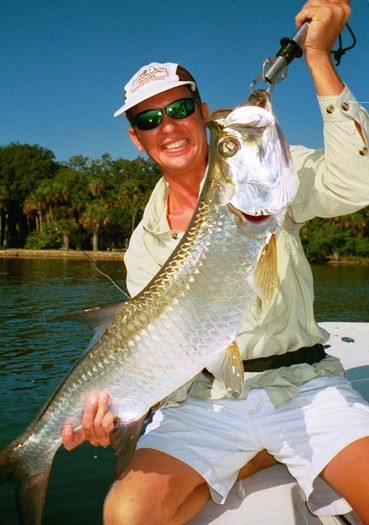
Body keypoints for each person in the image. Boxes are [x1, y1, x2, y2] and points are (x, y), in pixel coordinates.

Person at [62, 1, 369, 523]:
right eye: (150, 118)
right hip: (205, 401)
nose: (169, 125)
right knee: (125, 514)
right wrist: (115, 414)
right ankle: (260, 453)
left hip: (303, 384)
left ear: (203, 113)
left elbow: (358, 179)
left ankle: (266, 453)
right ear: (137, 138)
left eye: (181, 108)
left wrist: (318, 58)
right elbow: (160, 348)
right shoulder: (144, 241)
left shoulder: (270, 180)